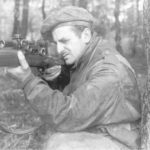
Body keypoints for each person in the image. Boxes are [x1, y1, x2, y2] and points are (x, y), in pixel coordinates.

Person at [6, 6, 141, 150]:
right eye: (57, 43)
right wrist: (53, 80)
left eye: (65, 41)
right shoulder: (85, 59)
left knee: (61, 145)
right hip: (99, 130)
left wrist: (28, 81)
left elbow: (68, 115)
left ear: (86, 35)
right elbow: (77, 92)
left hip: (119, 140)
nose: (59, 50)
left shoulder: (109, 71)